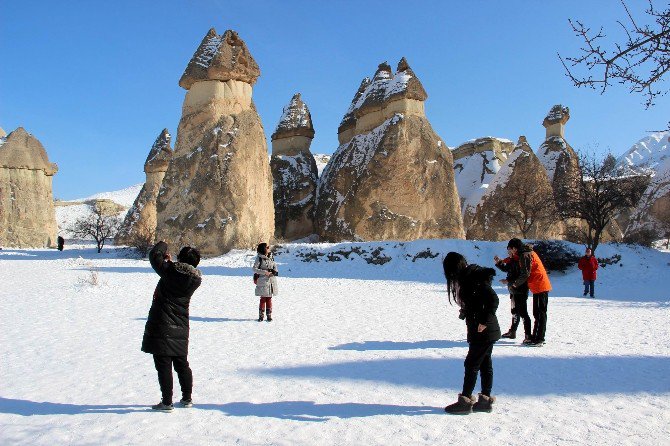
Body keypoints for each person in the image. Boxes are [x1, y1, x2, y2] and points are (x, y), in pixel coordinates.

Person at [141, 241, 202, 412]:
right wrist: (171, 263)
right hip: (181, 325)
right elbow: (177, 272)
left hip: (162, 323)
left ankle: (167, 402)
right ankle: (187, 398)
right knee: (182, 363)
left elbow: (154, 256)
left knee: (163, 363)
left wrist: (163, 244)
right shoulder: (193, 279)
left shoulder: (171, 272)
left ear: (180, 259)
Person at [443, 252, 501, 415]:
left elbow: (493, 300)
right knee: (484, 363)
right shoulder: (467, 277)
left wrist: (483, 321)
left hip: (484, 329)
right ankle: (484, 401)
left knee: (472, 364)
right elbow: (477, 301)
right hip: (481, 328)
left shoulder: (473, 278)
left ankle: (465, 401)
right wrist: (467, 310)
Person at [507, 238, 552, 347]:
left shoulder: (525, 255)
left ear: (514, 248)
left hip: (540, 285)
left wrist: (515, 284)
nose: (510, 252)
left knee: (540, 313)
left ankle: (539, 339)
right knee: (537, 313)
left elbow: (525, 274)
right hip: (537, 286)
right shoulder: (525, 253)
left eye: (510, 249)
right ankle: (535, 337)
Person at [494, 247, 532, 343]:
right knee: (514, 311)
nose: (509, 253)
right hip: (513, 290)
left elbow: (520, 275)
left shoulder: (519, 260)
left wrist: (508, 280)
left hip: (520, 289)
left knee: (523, 312)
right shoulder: (512, 260)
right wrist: (499, 262)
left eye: (510, 251)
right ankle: (512, 331)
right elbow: (507, 269)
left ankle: (528, 335)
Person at [253, 242, 278, 322]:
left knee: (269, 298)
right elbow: (254, 269)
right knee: (263, 298)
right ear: (264, 249)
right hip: (263, 281)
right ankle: (261, 316)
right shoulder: (259, 258)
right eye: (267, 247)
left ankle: (269, 315)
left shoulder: (271, 256)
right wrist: (265, 272)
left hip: (271, 280)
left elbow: (275, 266)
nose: (269, 248)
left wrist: (274, 271)